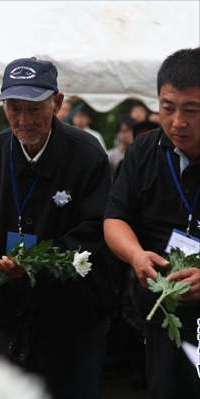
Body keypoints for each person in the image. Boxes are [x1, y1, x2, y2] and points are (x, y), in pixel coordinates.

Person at [0, 57, 113, 399]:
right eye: (14, 108)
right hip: (6, 321)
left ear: (57, 103)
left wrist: (33, 268)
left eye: (34, 108)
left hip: (72, 324)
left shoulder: (88, 157)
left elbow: (96, 233)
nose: (23, 120)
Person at [103, 47, 200, 399]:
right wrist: (135, 255)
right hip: (164, 309)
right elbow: (115, 217)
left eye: (192, 110)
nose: (177, 122)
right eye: (167, 108)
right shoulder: (144, 150)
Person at [106, 115, 136, 182]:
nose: (126, 134)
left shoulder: (139, 154)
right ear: (117, 133)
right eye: (123, 131)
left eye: (129, 131)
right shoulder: (110, 156)